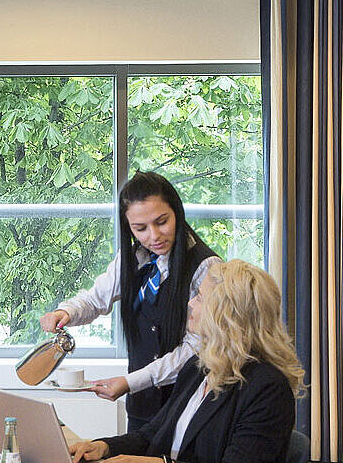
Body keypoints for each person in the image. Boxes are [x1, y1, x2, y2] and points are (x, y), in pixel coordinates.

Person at [69, 258, 302, 463]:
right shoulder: (198, 367)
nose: (190, 303)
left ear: (226, 315)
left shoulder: (267, 388)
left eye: (200, 297)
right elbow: (151, 435)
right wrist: (103, 447)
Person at [38, 171, 219, 430]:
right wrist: (66, 312)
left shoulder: (206, 267)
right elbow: (95, 299)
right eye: (140, 229)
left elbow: (196, 350)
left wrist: (131, 381)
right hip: (142, 406)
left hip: (187, 405)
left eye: (162, 222)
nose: (154, 236)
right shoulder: (134, 258)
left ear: (177, 213)